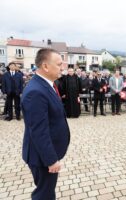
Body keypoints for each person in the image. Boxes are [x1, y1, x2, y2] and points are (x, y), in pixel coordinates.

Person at [21, 48, 70, 199]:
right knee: (44, 194)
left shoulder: (46, 84)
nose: (63, 67)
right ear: (45, 66)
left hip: (47, 154)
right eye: (59, 64)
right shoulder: (36, 91)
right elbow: (38, 131)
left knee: (47, 191)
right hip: (42, 158)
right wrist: (51, 160)